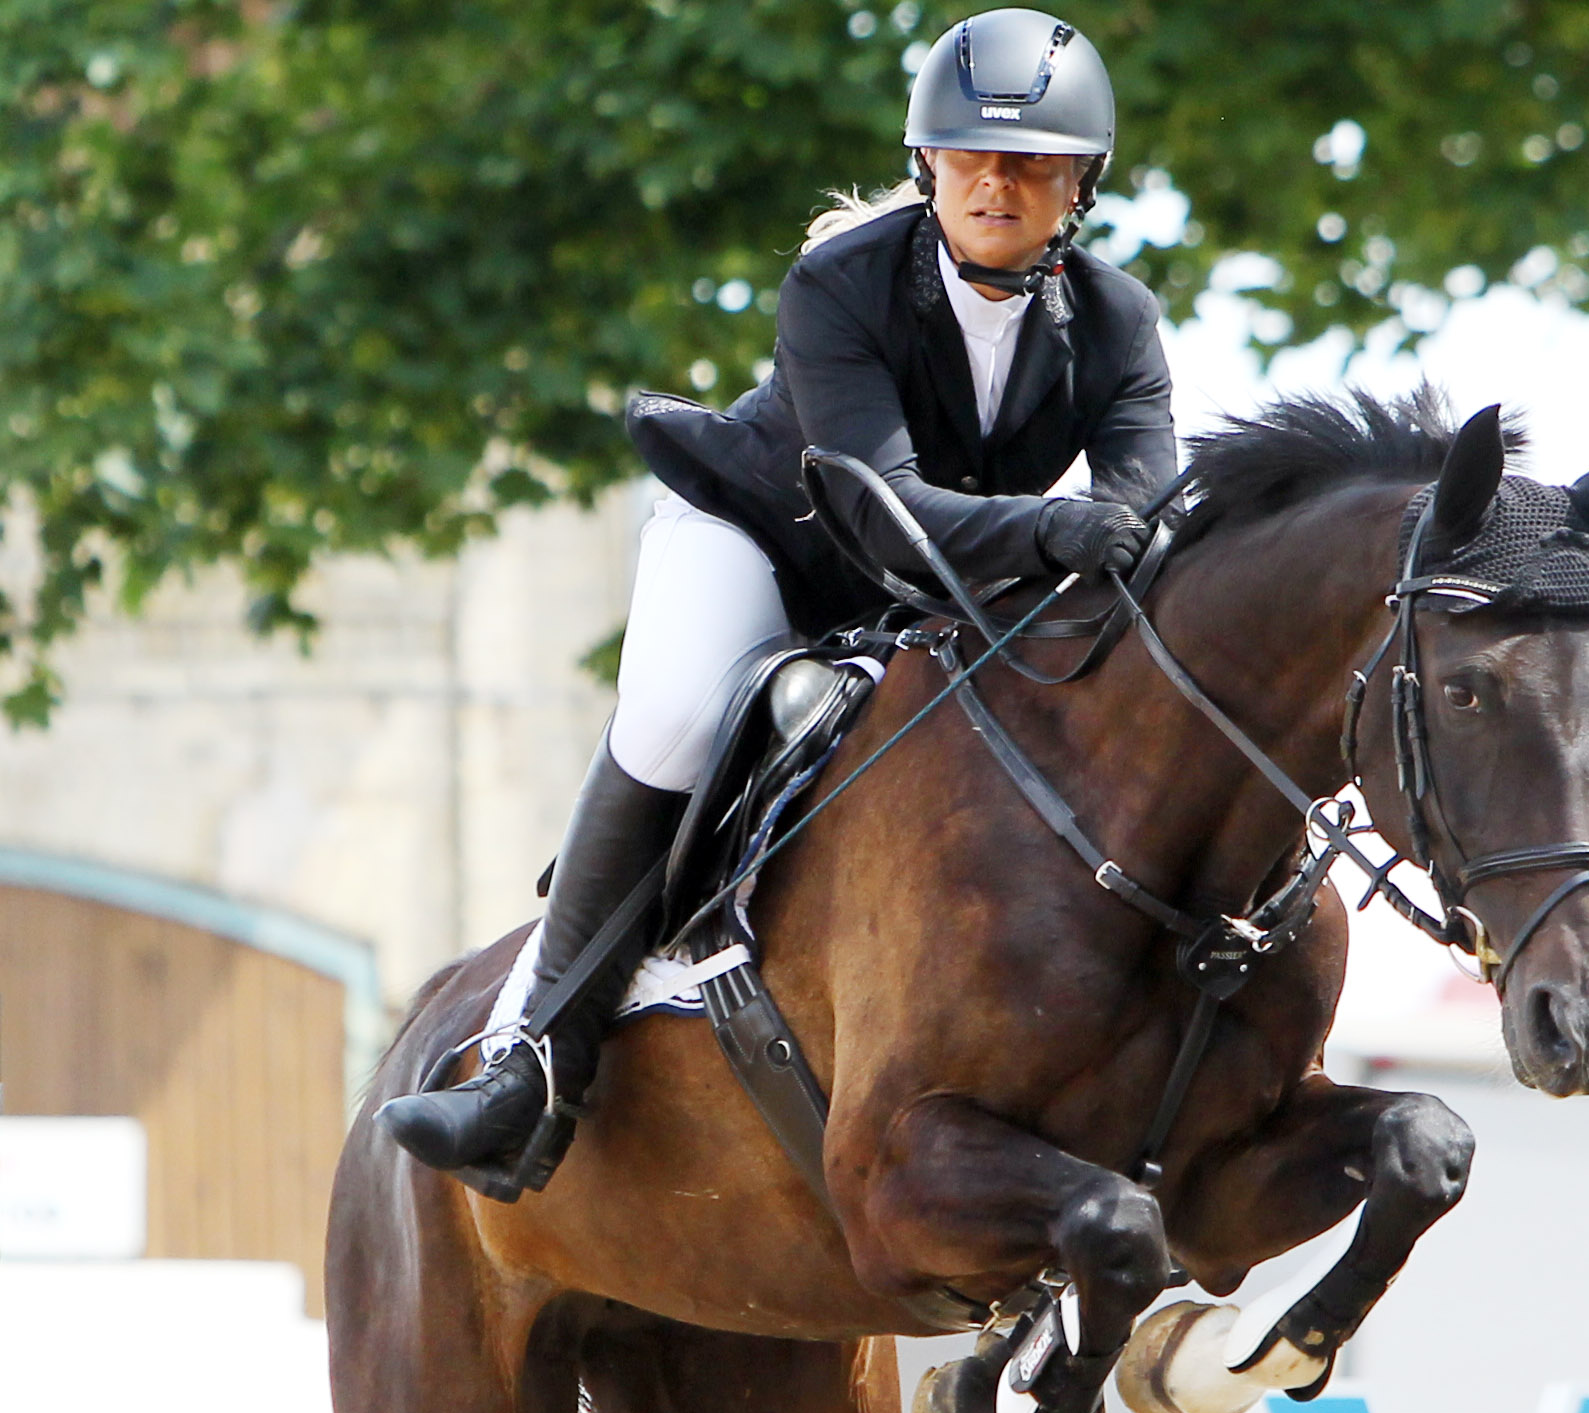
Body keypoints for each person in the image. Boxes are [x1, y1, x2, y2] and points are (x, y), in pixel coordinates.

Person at [376, 8, 1177, 1188]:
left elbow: (1142, 514)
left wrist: (1117, 551)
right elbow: (880, 508)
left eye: (1029, 163)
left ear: (1079, 186)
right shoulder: (841, 281)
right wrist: (1059, 529)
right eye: (969, 157)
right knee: (678, 719)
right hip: (763, 534)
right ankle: (527, 1064)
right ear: (927, 165)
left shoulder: (1118, 321)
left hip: (933, 586)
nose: (994, 183)